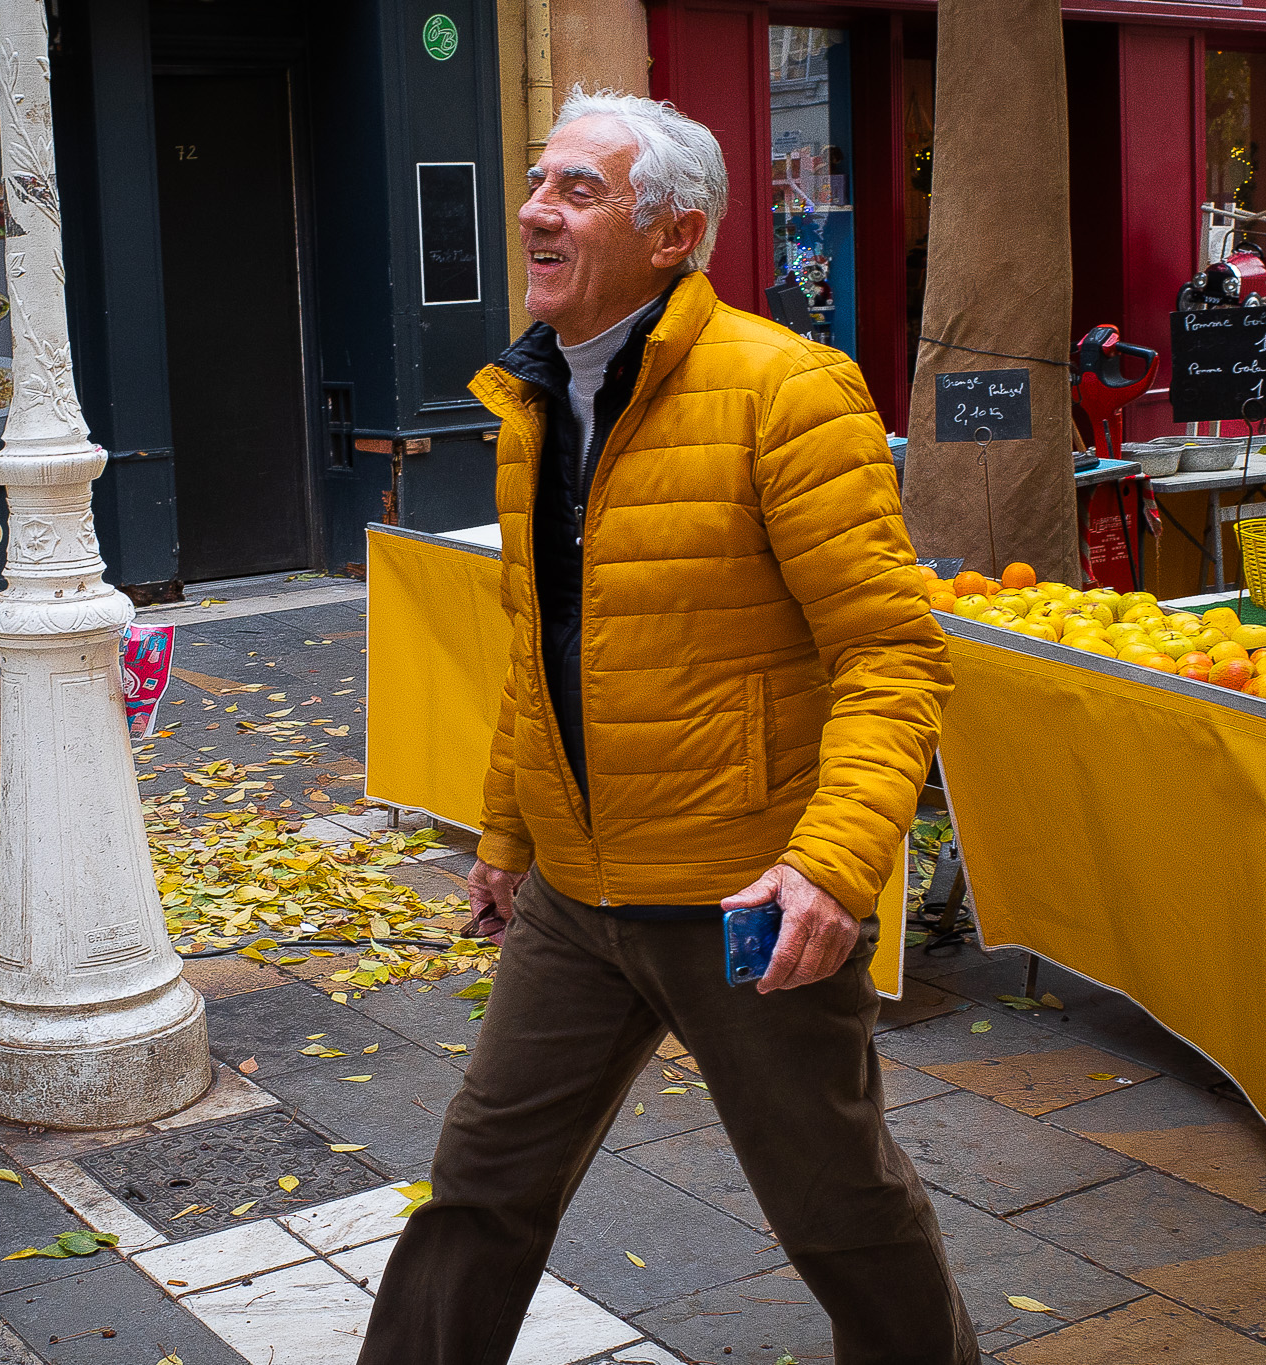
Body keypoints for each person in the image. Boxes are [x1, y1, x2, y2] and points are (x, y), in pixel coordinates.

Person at [357, 89, 975, 1365]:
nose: (536, 209)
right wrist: (505, 837)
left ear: (673, 236)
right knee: (478, 1190)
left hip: (740, 895)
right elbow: (546, 649)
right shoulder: (531, 401)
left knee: (834, 1207)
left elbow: (889, 652)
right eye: (539, 181)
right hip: (576, 900)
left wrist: (832, 864)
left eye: (580, 191)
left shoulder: (786, 390)